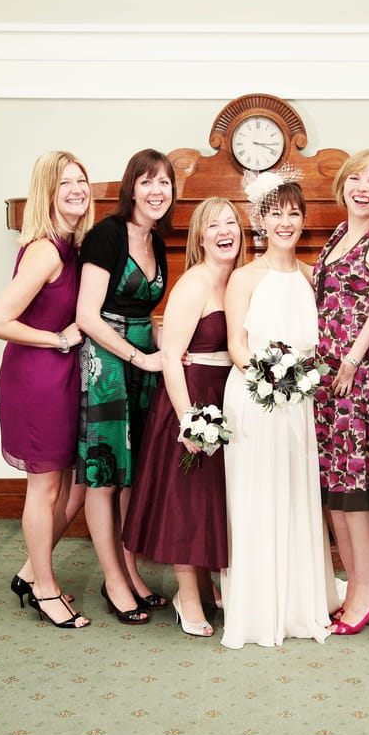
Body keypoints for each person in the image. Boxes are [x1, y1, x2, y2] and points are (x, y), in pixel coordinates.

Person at [220, 172, 341, 649]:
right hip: (254, 398)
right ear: (261, 220)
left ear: (303, 220)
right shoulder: (244, 277)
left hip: (299, 406)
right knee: (255, 496)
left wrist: (299, 379)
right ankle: (254, 607)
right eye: (276, 213)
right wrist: (273, 375)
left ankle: (296, 602)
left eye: (294, 213)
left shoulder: (314, 276)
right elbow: (235, 345)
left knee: (295, 497)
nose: (286, 222)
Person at [123, 198, 245, 636]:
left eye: (230, 222)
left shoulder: (240, 280)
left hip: (227, 395)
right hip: (190, 399)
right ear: (200, 237)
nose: (223, 231)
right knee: (188, 501)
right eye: (213, 225)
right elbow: (171, 357)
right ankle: (186, 596)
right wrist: (187, 420)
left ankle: (209, 582)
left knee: (216, 497)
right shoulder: (194, 283)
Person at [0, 151, 93, 629]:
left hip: (61, 377)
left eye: (81, 180)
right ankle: (45, 590)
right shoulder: (46, 249)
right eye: (64, 183)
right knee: (46, 487)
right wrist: (58, 337)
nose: (76, 189)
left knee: (72, 487)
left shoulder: (73, 245)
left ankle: (32, 572)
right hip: (35, 380)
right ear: (46, 193)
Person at [75, 149, 175, 624]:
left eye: (165, 183)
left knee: (133, 476)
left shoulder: (158, 240)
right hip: (106, 365)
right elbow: (87, 316)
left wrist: (172, 347)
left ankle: (131, 571)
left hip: (143, 363)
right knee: (106, 473)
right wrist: (140, 356)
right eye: (148, 181)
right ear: (131, 187)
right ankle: (113, 579)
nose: (157, 191)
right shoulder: (106, 234)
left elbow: (146, 315)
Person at [313, 150, 369, 635]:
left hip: (356, 381)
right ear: (344, 184)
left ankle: (366, 593)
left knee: (356, 493)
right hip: (327, 383)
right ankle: (356, 587)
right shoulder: (337, 235)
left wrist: (350, 360)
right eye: (356, 178)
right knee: (335, 493)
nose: (363, 187)